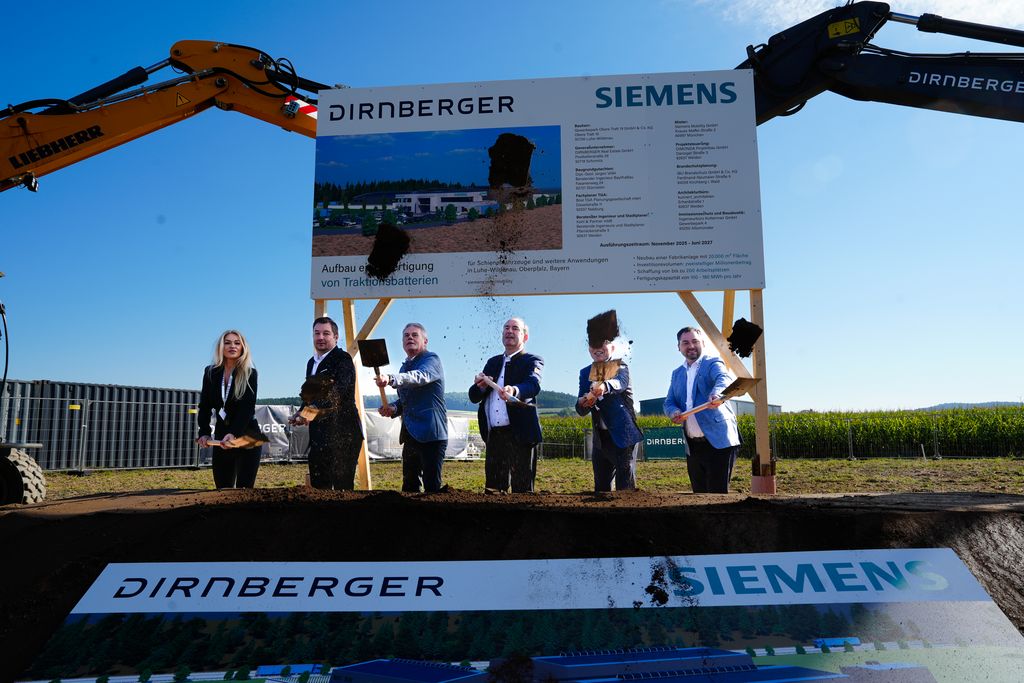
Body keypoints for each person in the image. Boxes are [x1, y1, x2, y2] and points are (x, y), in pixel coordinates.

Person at [469, 317, 543, 492]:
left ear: (525, 337)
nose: (509, 331)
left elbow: (533, 384)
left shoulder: (532, 360)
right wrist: (480, 386)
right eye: (506, 328)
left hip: (520, 435)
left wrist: (515, 390)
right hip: (495, 436)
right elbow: (473, 396)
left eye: (515, 328)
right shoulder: (493, 362)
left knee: (522, 489)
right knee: (493, 489)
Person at [664, 326, 741, 493]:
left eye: (694, 341)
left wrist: (717, 394)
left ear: (703, 343)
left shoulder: (713, 362)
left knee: (717, 497)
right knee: (698, 496)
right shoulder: (676, 374)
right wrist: (674, 412)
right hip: (693, 446)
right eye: (685, 343)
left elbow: (723, 379)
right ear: (679, 347)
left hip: (718, 442)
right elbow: (669, 402)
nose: (690, 346)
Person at [290, 317, 364, 490]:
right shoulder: (311, 363)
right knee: (319, 488)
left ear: (336, 337)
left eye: (326, 333)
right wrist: (301, 413)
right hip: (319, 435)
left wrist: (312, 410)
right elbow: (310, 395)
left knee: (342, 489)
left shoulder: (343, 359)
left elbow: (338, 391)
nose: (320, 337)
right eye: (317, 333)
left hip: (343, 433)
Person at [376, 323, 448, 492]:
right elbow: (405, 400)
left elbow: (420, 377)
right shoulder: (404, 367)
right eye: (406, 335)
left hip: (431, 434)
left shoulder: (431, 360)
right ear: (402, 343)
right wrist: (393, 408)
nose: (410, 337)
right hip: (410, 434)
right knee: (409, 484)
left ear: (425, 341)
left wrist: (392, 378)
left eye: (414, 335)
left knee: (431, 486)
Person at [196, 330, 261, 489]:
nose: (232, 346)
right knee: (223, 489)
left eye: (237, 343)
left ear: (243, 347)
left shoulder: (250, 374)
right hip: (221, 437)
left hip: (247, 436)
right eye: (228, 342)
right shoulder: (210, 372)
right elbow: (204, 405)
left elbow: (246, 409)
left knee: (243, 491)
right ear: (221, 347)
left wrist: (233, 433)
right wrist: (204, 432)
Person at [576, 340, 642, 492]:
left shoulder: (620, 366)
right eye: (594, 344)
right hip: (600, 439)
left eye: (602, 343)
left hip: (623, 436)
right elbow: (580, 408)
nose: (598, 348)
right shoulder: (585, 372)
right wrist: (583, 403)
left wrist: (604, 386)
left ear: (612, 347)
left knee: (625, 489)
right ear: (589, 349)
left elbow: (619, 383)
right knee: (601, 488)